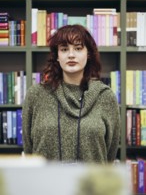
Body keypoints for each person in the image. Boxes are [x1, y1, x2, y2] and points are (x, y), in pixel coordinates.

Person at [22, 24, 121, 163]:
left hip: (90, 184)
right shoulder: (36, 95)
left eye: (78, 48)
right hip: (44, 183)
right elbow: (29, 150)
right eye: (64, 49)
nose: (71, 54)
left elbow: (109, 154)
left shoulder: (105, 97)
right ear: (57, 56)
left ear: (88, 54)